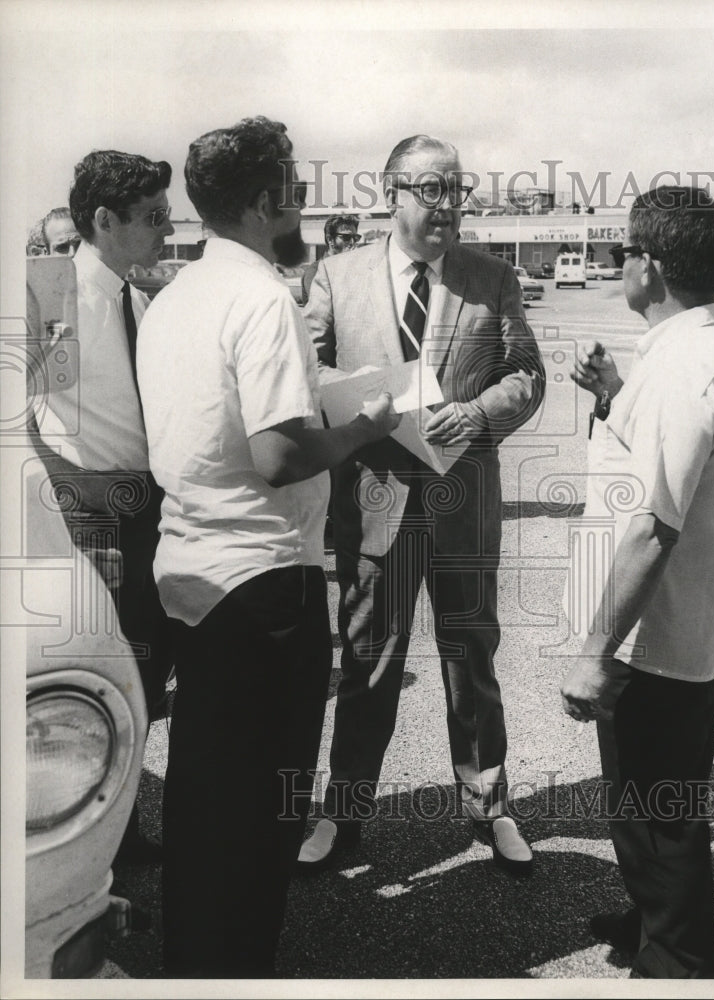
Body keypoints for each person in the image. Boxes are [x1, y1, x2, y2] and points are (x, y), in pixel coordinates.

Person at [135, 115, 399, 978]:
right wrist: (363, 427)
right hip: (261, 584)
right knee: (262, 815)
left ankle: (193, 959)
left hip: (188, 567)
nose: (302, 200)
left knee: (206, 793)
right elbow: (279, 452)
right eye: (292, 186)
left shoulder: (176, 295)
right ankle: (231, 969)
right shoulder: (263, 299)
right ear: (263, 202)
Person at [300, 134, 546, 875]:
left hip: (464, 502)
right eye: (432, 189)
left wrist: (475, 416)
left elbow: (527, 374)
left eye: (457, 189)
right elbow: (304, 366)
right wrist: (359, 405)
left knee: (472, 661)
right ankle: (343, 816)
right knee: (368, 665)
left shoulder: (492, 277)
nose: (448, 205)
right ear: (391, 194)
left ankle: (489, 806)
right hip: (375, 503)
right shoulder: (337, 276)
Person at [561, 186, 714, 978]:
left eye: (624, 253)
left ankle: (677, 961)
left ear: (651, 266)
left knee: (660, 812)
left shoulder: (685, 369)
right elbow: (666, 466)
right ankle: (654, 913)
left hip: (658, 638)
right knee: (645, 804)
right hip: (692, 626)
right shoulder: (705, 351)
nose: (619, 265)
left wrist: (593, 651)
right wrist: (612, 393)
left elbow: (652, 523)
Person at [28, 150, 176, 867]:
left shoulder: (140, 295)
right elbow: (24, 394)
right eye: (151, 217)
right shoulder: (53, 287)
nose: (166, 226)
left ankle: (119, 837)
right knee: (89, 683)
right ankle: (76, 854)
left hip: (148, 510)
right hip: (89, 508)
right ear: (104, 220)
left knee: (142, 678)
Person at [301, 213, 360, 304]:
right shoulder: (315, 271)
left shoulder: (354, 268)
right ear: (330, 240)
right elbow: (323, 306)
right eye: (346, 237)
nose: (352, 242)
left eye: (355, 238)